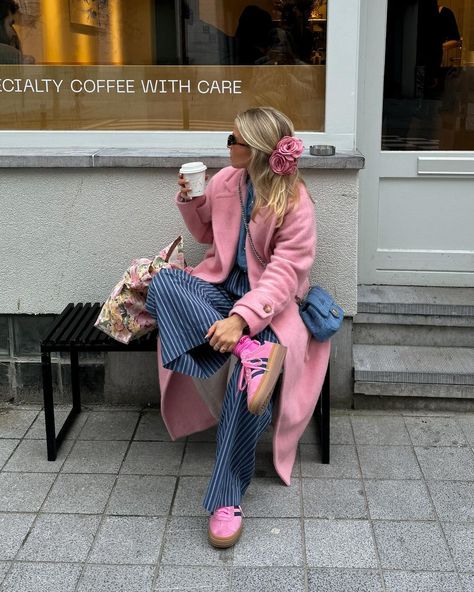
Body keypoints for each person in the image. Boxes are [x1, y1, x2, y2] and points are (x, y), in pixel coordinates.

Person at [145, 106, 330, 548]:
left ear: (261, 149)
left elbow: (286, 273)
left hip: (269, 306)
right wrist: (190, 200)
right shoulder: (227, 181)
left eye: (236, 139)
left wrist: (241, 319)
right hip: (220, 291)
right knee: (162, 281)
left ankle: (227, 498)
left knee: (247, 388)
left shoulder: (295, 200)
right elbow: (207, 234)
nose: (228, 145)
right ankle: (250, 351)